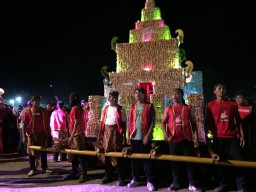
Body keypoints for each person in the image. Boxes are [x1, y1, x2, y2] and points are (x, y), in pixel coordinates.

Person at [205, 83, 246, 192]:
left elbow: (239, 122)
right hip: (218, 137)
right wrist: (208, 138)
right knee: (220, 162)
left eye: (223, 89)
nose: (222, 90)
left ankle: (241, 186)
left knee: (239, 161)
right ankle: (223, 185)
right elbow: (207, 123)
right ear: (214, 91)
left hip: (232, 137)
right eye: (219, 89)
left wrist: (241, 136)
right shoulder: (210, 105)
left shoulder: (232, 104)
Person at [161, 88, 202, 192]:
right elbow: (163, 122)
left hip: (186, 139)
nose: (174, 96)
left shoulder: (188, 108)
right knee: (175, 162)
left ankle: (192, 183)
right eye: (173, 94)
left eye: (177, 94)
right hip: (173, 139)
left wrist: (196, 137)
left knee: (190, 162)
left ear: (181, 95)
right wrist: (165, 134)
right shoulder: (168, 108)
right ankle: (176, 182)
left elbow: (194, 124)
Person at [126, 87, 156, 191]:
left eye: (140, 92)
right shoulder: (132, 107)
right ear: (134, 95)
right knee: (134, 159)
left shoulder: (149, 106)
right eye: (136, 92)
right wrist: (128, 135)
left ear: (144, 95)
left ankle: (149, 180)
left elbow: (153, 122)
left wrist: (147, 135)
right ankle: (135, 179)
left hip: (144, 137)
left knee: (147, 160)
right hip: (134, 137)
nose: (137, 94)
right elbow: (129, 122)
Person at [99, 90, 127, 186]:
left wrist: (124, 136)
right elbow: (102, 122)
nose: (114, 99)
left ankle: (121, 176)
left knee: (118, 154)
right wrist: (100, 136)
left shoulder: (121, 109)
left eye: (116, 97)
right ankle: (108, 175)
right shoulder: (105, 109)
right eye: (112, 97)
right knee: (107, 154)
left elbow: (124, 124)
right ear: (109, 98)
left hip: (116, 133)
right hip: (107, 132)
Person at [22, 96, 52, 176]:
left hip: (42, 135)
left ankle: (45, 168)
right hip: (32, 135)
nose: (38, 102)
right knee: (32, 153)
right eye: (36, 101)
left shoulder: (44, 111)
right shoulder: (27, 112)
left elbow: (47, 123)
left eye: (39, 101)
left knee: (43, 152)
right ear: (32, 102)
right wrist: (24, 137)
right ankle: (32, 169)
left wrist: (49, 133)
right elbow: (24, 125)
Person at [63, 92, 88, 183]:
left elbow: (76, 123)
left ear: (71, 99)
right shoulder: (80, 108)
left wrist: (71, 136)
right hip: (79, 134)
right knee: (75, 155)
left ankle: (83, 174)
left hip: (77, 135)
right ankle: (74, 172)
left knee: (80, 155)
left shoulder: (74, 109)